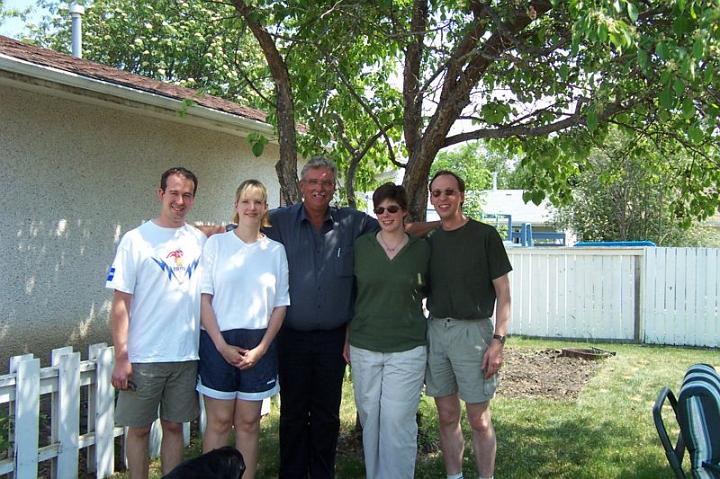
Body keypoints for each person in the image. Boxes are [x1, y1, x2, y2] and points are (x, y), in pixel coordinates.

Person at [265, 157, 379, 478]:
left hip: (333, 339)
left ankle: (322, 472)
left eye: (327, 182)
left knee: (328, 414)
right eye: (314, 182)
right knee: (293, 413)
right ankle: (292, 473)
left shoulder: (353, 223)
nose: (320, 188)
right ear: (301, 185)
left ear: (333, 188)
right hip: (292, 336)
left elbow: (394, 225)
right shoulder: (279, 221)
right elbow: (240, 226)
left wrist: (441, 225)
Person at [106, 167, 206, 478]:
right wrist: (122, 356)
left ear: (192, 199)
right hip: (144, 356)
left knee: (174, 427)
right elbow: (121, 303)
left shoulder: (199, 239)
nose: (180, 200)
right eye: (174, 193)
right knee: (137, 430)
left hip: (185, 354)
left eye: (186, 195)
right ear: (160, 194)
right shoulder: (135, 240)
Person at [197, 179, 289, 479]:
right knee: (220, 422)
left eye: (258, 202)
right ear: (236, 205)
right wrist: (221, 345)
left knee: (249, 423)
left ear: (265, 208)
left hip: (258, 341)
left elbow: (280, 305)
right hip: (218, 339)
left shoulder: (275, 251)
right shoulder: (216, 244)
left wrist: (262, 348)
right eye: (246, 201)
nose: (251, 207)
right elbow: (204, 299)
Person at [425, 170, 512, 479]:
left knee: (479, 419)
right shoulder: (431, 240)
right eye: (436, 193)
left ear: (461, 195)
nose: (442, 198)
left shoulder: (485, 235)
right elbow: (405, 229)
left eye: (449, 192)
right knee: (447, 416)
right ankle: (454, 476)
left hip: (474, 333)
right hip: (436, 331)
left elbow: (504, 294)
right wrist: (434, 224)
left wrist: (498, 341)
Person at [344, 183, 430, 479]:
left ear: (405, 211)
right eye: (379, 209)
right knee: (371, 418)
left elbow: (428, 289)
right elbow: (350, 295)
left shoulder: (422, 250)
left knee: (398, 419)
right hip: (365, 344)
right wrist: (346, 338)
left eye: (392, 208)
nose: (385, 214)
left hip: (407, 347)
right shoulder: (361, 247)